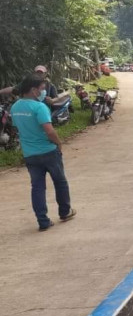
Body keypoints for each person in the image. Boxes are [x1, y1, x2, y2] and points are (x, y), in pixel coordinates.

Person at [10, 73, 76, 231]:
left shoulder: (15, 107)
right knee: (60, 182)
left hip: (30, 155)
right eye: (42, 88)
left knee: (38, 187)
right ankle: (65, 212)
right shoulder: (39, 107)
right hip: (48, 151)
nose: (43, 92)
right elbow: (49, 131)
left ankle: (43, 221)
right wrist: (58, 143)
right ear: (34, 90)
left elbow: (17, 129)